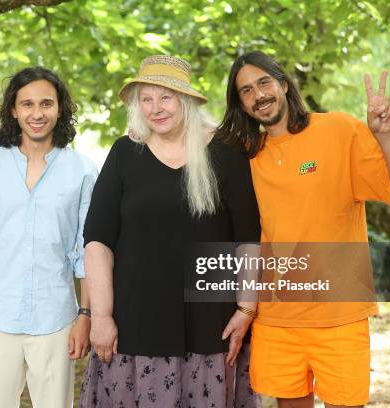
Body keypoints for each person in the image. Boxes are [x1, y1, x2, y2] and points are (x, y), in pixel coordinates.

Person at [216, 51, 390, 408]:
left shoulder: (339, 130)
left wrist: (385, 136)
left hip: (339, 315)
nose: (258, 94)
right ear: (241, 104)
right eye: (246, 90)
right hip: (277, 318)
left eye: (264, 82)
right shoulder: (247, 155)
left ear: (283, 84)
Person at [79, 55, 261, 407]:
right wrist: (100, 317)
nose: (155, 108)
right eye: (146, 99)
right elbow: (97, 240)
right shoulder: (124, 153)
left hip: (212, 323)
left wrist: (246, 308)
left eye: (165, 97)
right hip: (135, 322)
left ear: (187, 101)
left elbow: (248, 239)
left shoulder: (227, 152)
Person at [0, 66, 96, 408]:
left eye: (47, 104)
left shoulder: (82, 170)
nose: (37, 113)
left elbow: (87, 250)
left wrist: (85, 316)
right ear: (13, 110)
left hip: (56, 316)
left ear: (60, 109)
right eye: (28, 104)